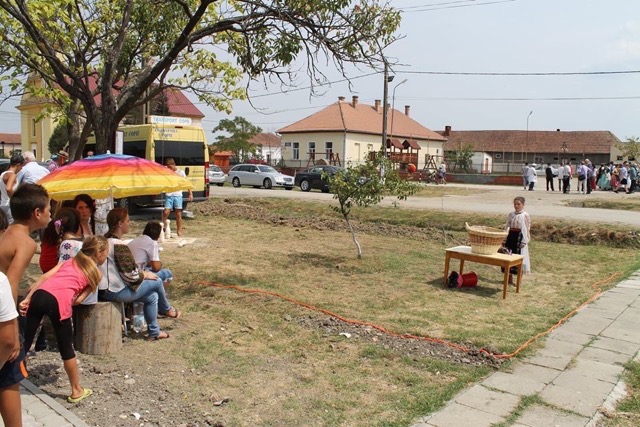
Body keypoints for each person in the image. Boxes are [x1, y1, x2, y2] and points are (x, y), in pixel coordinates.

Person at [19, 235, 108, 404]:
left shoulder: (70, 261)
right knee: (66, 349)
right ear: (99, 252)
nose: (106, 256)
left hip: (39, 294)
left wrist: (28, 298)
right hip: (58, 303)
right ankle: (76, 390)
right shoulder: (96, 273)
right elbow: (79, 300)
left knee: (25, 341)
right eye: (106, 253)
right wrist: (65, 301)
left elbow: (44, 277)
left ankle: (10, 378)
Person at [0, 183, 51, 427]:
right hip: (5, 312)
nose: (51, 214)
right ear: (37, 213)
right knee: (10, 377)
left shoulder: (5, 232)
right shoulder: (27, 243)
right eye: (49, 209)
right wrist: (12, 330)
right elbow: (9, 283)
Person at [98, 208, 180, 340]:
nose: (129, 223)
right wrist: (145, 275)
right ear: (120, 224)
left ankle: (154, 332)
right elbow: (130, 275)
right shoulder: (118, 245)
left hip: (104, 289)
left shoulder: (104, 240)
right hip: (114, 291)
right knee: (157, 281)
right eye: (127, 221)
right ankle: (166, 309)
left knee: (152, 297)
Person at [161, 158, 192, 238]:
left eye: (169, 167)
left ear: (173, 164)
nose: (169, 169)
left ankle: (179, 230)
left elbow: (187, 183)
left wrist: (190, 194)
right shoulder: (167, 172)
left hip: (178, 195)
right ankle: (163, 227)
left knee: (178, 214)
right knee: (166, 212)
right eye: (167, 167)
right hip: (169, 195)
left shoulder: (181, 172)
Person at [504, 196, 531, 285]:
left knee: (519, 258)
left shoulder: (525, 215)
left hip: (520, 237)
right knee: (509, 256)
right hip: (511, 237)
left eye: (518, 204)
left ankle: (519, 281)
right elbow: (507, 226)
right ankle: (509, 279)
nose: (516, 206)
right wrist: (504, 237)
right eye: (515, 204)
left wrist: (524, 240)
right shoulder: (511, 214)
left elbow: (526, 228)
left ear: (523, 204)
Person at [0, 154, 24, 224]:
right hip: (9, 205)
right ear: (18, 165)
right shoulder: (12, 175)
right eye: (21, 166)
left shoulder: (3, 174)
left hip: (2, 204)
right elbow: (8, 188)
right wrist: (15, 199)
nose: (21, 168)